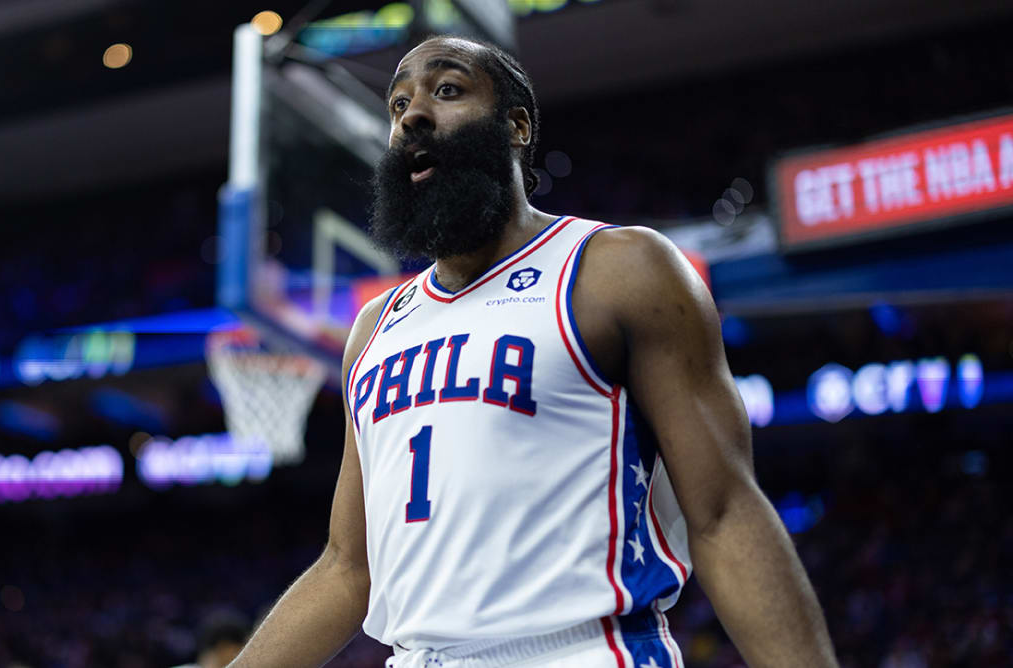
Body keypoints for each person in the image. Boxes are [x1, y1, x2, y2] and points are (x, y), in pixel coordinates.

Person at [228, 35, 837, 667]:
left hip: (581, 650)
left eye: (446, 90)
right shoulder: (375, 327)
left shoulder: (618, 270)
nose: (411, 115)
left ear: (516, 126)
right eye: (397, 104)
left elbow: (724, 513)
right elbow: (346, 568)